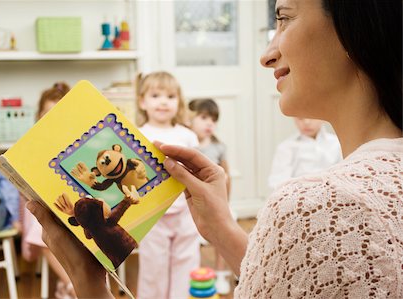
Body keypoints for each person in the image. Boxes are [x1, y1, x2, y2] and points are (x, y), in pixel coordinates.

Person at [26, 1, 402, 298]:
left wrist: (87, 283)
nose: (267, 54)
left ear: (355, 28)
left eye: (284, 17)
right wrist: (222, 228)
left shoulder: (320, 203)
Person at [134, 71, 200, 299]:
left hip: (185, 210)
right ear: (142, 101)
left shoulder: (188, 136)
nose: (163, 101)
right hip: (154, 212)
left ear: (179, 102)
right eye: (155, 95)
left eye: (170, 96)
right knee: (153, 266)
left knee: (186, 261)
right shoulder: (139, 135)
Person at [21, 82, 76, 299]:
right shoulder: (33, 144)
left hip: (71, 206)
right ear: (39, 116)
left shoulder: (78, 142)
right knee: (43, 231)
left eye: (59, 113)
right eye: (47, 113)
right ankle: (70, 284)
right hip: (43, 207)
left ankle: (75, 284)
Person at [188, 98, 232, 294]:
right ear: (190, 119)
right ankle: (196, 271)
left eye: (213, 120)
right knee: (192, 238)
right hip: (192, 203)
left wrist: (226, 202)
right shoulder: (187, 144)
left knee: (220, 235)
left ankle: (220, 272)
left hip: (216, 201)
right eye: (204, 117)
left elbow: (226, 176)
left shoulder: (218, 147)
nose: (209, 123)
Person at [268, 117, 342, 189]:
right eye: (300, 118)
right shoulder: (286, 147)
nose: (306, 122)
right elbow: (277, 182)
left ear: (323, 117)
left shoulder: (338, 143)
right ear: (294, 119)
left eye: (312, 117)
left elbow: (342, 176)